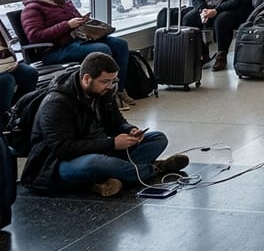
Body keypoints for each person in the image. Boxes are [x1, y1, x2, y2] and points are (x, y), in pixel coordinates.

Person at [21, 52, 190, 197]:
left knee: (158, 138)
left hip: (101, 149)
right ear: (87, 79)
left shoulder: (102, 92)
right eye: (105, 81)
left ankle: (114, 178)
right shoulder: (56, 104)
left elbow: (117, 122)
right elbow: (63, 147)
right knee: (97, 163)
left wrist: (130, 130)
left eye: (112, 81)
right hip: (56, 165)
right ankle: (155, 168)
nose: (109, 86)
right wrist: (112, 143)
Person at [21, 0, 134, 108]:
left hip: (78, 40)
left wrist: (83, 22)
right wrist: (67, 25)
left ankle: (119, 89)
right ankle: (105, 95)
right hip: (56, 49)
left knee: (120, 44)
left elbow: (75, 19)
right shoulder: (32, 9)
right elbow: (35, 36)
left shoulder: (63, 1)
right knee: (101, 50)